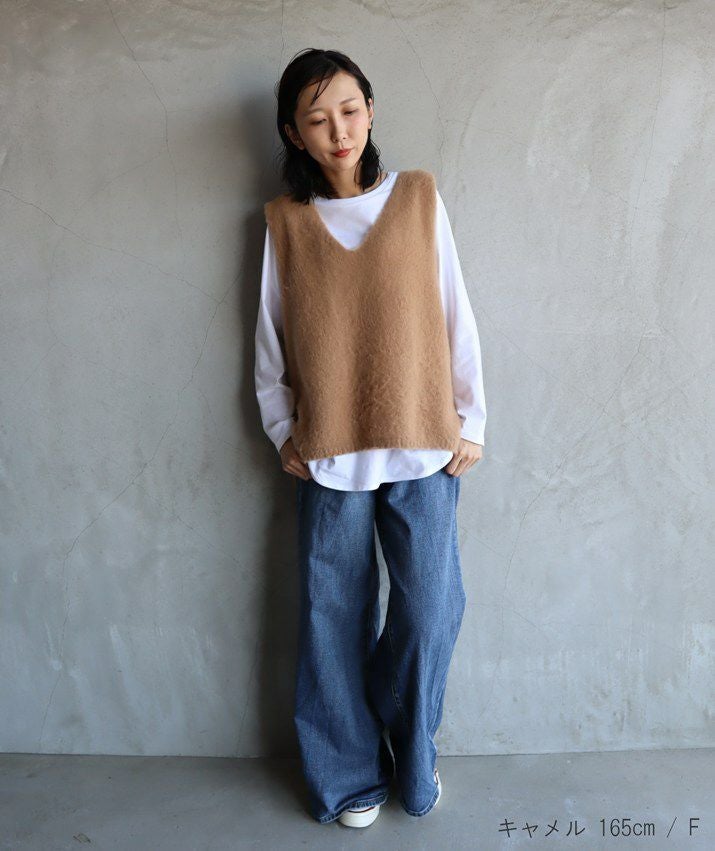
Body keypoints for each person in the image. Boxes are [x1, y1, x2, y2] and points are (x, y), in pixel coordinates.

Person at [254, 48, 487, 828]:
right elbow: (270, 338)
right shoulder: (286, 222)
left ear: (370, 109)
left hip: (423, 439)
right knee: (332, 616)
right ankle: (349, 773)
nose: (338, 130)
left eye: (349, 110)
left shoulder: (416, 197)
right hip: (328, 451)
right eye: (317, 119)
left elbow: (454, 309)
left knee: (430, 610)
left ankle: (411, 751)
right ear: (294, 133)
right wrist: (282, 428)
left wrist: (471, 417)